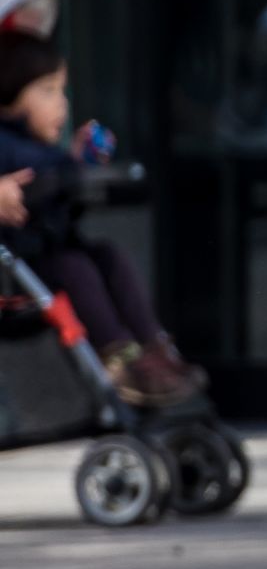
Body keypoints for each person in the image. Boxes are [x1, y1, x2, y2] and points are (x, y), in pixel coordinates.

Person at [0, 30, 204, 405]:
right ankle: (120, 357)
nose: (60, 104)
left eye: (62, 92)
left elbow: (55, 184)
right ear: (9, 99)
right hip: (19, 275)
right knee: (75, 267)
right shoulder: (9, 146)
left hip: (45, 258)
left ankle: (154, 347)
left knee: (109, 256)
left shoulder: (41, 151)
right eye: (47, 91)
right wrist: (73, 168)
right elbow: (42, 171)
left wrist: (75, 168)